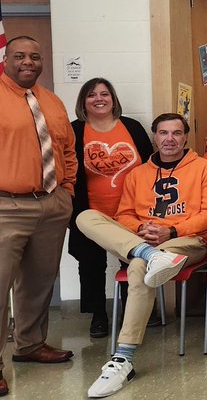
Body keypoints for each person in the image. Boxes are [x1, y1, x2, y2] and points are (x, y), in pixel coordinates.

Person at [0, 36, 77, 396]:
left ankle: (31, 344)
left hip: (50, 205)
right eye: (19, 56)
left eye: (35, 57)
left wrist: (65, 190)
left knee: (39, 282)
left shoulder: (51, 101)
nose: (28, 62)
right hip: (0, 207)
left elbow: (66, 149)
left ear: (42, 61)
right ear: (5, 59)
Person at [77, 113, 207, 398]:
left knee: (138, 267)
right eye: (163, 133)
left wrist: (173, 231)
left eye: (176, 133)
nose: (170, 139)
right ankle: (148, 254)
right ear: (155, 136)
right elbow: (124, 215)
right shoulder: (137, 174)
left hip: (186, 242)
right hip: (144, 242)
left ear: (185, 137)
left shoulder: (204, 168)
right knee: (85, 217)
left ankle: (123, 359)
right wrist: (141, 228)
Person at [70, 78, 154, 339]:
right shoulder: (74, 130)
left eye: (105, 94)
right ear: (83, 101)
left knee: (135, 260)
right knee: (91, 264)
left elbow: (151, 166)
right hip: (91, 213)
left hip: (132, 211)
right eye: (92, 94)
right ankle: (98, 315)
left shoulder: (132, 128)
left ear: (113, 99)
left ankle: (134, 311)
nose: (99, 99)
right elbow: (67, 171)